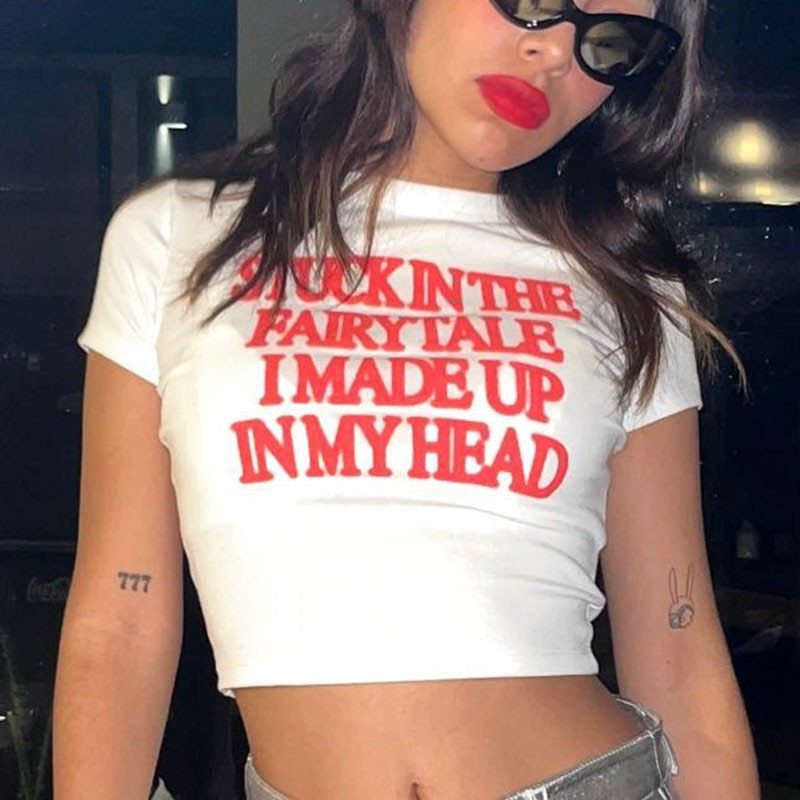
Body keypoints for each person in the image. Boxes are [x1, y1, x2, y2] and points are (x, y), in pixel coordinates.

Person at [52, 0, 761, 798]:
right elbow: (119, 621)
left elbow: (677, 645)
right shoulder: (180, 235)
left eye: (612, 42)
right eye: (534, 3)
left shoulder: (628, 282)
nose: (559, 54)